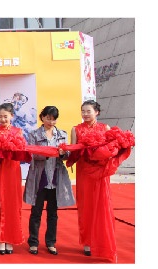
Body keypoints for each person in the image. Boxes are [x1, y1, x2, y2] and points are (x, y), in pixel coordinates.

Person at [23, 106, 74, 255]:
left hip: (56, 178)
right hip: (39, 177)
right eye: (48, 118)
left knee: (53, 213)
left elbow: (67, 155)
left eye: (54, 119)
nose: (51, 122)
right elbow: (32, 154)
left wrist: (63, 154)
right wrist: (49, 152)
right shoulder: (34, 134)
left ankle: (51, 242)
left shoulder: (62, 134)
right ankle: (33, 242)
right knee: (36, 212)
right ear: (42, 117)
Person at [70, 100, 117, 260]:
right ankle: (88, 242)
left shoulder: (105, 128)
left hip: (101, 172)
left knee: (102, 206)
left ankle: (102, 242)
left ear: (97, 112)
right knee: (86, 206)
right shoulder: (76, 129)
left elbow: (112, 149)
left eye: (88, 111)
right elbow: (73, 151)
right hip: (84, 172)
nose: (85, 114)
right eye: (83, 111)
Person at [0, 103, 27, 254]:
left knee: (13, 204)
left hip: (13, 170)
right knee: (0, 203)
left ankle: (11, 238)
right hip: (0, 170)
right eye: (0, 116)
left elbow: (23, 150)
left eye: (5, 116)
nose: (3, 119)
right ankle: (1, 239)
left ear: (12, 116)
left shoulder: (18, 131)